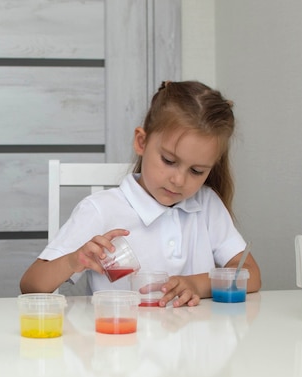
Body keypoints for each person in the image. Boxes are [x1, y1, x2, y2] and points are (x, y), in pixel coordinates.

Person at [20, 80, 261, 307]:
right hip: (120, 343)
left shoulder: (207, 205)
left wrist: (195, 284)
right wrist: (74, 260)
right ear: (141, 142)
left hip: (194, 344)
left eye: (197, 171)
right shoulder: (101, 210)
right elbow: (31, 285)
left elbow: (251, 276)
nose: (179, 180)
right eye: (168, 160)